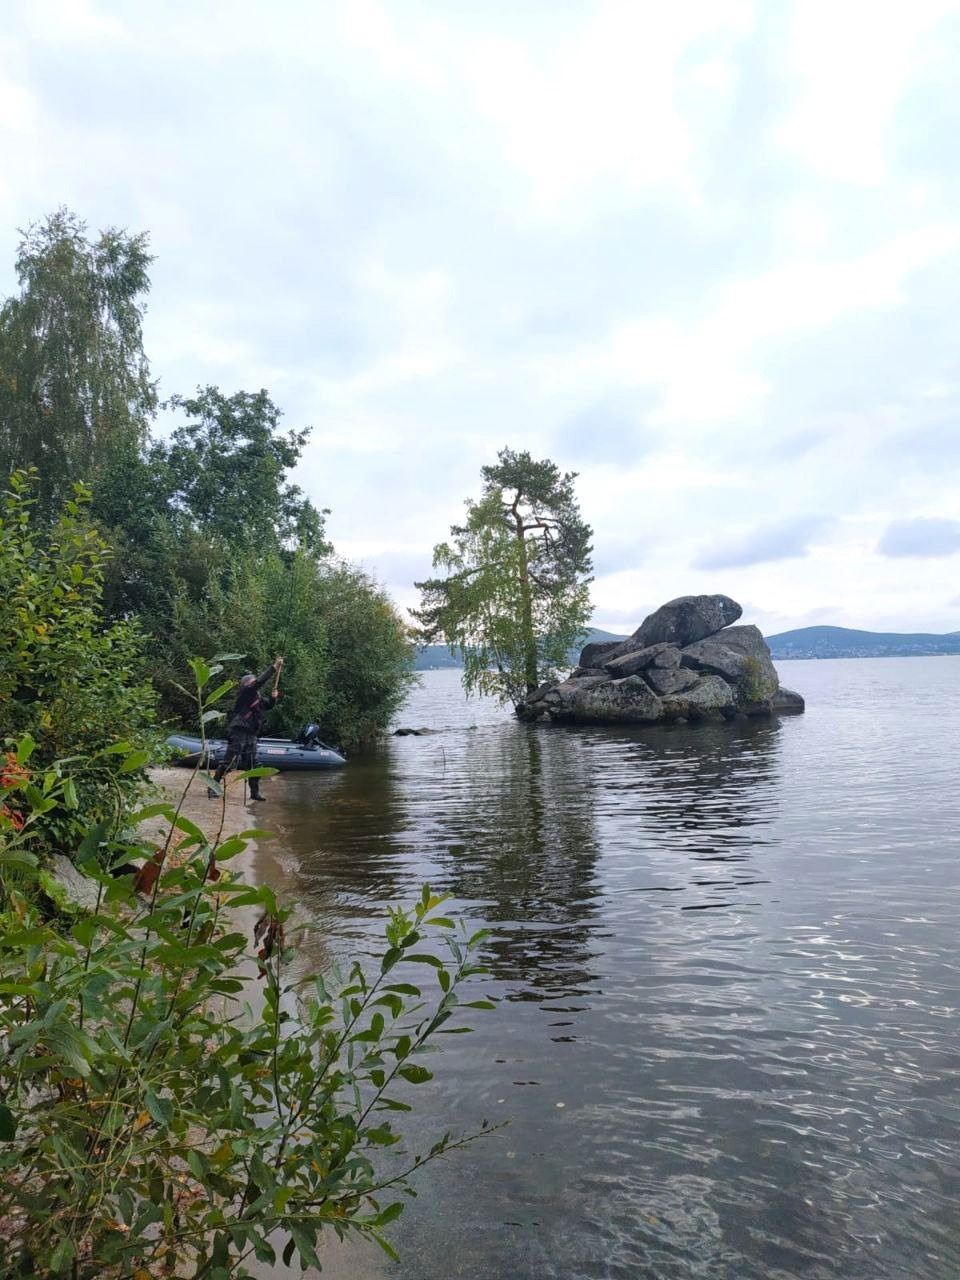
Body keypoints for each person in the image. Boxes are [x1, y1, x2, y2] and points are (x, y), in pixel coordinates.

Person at [209, 657, 283, 801]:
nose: (254, 682)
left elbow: (268, 706)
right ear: (246, 684)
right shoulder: (246, 693)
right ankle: (212, 787)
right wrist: (274, 667)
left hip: (251, 735)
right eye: (251, 681)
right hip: (239, 731)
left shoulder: (257, 697)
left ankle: (254, 793)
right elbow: (260, 682)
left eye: (253, 680)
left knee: (253, 765)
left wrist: (274, 698)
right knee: (229, 762)